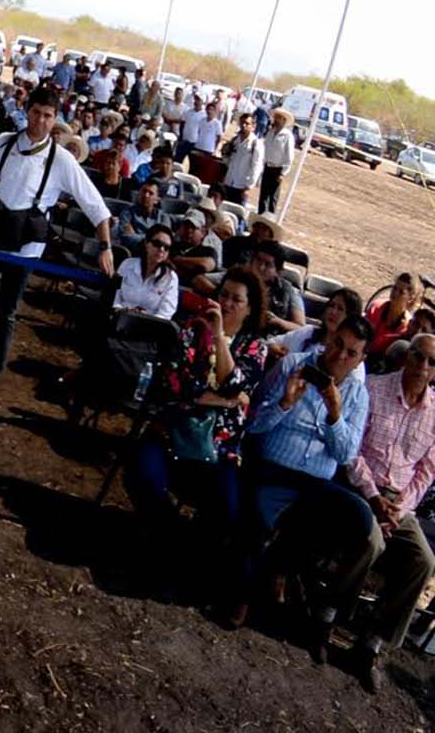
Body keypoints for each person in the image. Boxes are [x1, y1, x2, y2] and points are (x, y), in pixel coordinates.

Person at [0, 86, 114, 406]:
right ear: (27, 111)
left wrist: (106, 246)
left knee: (7, 314)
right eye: (36, 113)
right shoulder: (4, 141)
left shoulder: (61, 160)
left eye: (48, 116)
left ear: (55, 119)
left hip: (25, 248)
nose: (40, 121)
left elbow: (95, 205)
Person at [226, 317, 375, 639]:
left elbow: (346, 455)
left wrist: (335, 414)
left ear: (361, 360)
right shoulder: (292, 365)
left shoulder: (357, 395)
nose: (340, 356)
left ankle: (285, 568)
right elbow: (251, 424)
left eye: (351, 353)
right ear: (329, 338)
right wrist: (285, 403)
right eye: (338, 344)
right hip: (274, 468)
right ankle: (242, 595)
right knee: (258, 514)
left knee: (359, 519)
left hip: (316, 481)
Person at [124, 269, 274, 567]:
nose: (227, 304)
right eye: (224, 295)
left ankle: (188, 557)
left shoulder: (255, 347)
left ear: (250, 308)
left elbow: (235, 383)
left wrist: (219, 338)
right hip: (172, 432)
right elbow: (175, 383)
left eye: (236, 299)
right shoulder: (192, 331)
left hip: (219, 448)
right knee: (142, 475)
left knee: (227, 507)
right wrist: (225, 400)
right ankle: (166, 538)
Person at [337, 334, 435, 691]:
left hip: (399, 503)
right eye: (419, 357)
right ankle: (329, 613)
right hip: (360, 488)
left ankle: (372, 642)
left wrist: (399, 508)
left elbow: (426, 472)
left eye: (432, 362)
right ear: (407, 356)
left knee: (423, 560)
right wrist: (375, 497)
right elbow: (352, 450)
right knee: (372, 541)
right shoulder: (374, 389)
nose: (423, 366)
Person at [115, 225, 180, 319]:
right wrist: (120, 311)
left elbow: (165, 314)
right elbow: (114, 296)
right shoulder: (127, 265)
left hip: (150, 324)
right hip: (119, 318)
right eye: (157, 244)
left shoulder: (171, 278)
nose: (162, 249)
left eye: (166, 247)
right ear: (146, 243)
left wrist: (144, 321)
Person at [365, 272, 425, 357]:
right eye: (394, 288)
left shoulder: (407, 326)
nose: (395, 293)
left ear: (410, 298)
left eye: (401, 292)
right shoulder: (375, 308)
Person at [219, 112, 264, 206]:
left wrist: (248, 187)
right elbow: (228, 160)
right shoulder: (235, 140)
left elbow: (257, 167)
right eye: (242, 122)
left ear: (253, 126)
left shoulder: (256, 143)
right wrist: (224, 153)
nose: (244, 125)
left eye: (247, 123)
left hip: (242, 186)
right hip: (229, 182)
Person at [260, 107, 297, 214]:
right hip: (267, 166)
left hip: (277, 169)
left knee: (273, 196)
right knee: (263, 195)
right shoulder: (270, 133)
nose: (275, 120)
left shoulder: (287, 136)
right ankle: (260, 214)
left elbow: (289, 156)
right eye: (275, 117)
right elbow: (265, 148)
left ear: (283, 120)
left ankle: (270, 216)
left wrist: (283, 173)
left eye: (278, 118)